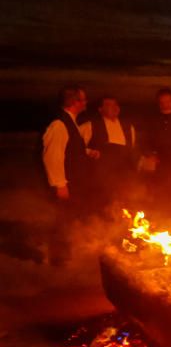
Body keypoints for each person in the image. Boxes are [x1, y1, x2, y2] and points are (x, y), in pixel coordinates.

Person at [41, 86, 97, 265]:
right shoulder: (59, 124)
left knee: (70, 218)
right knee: (62, 220)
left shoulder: (70, 122)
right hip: (64, 184)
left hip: (73, 183)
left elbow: (68, 149)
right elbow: (52, 155)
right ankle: (58, 259)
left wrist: (85, 151)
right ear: (75, 102)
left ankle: (67, 255)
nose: (86, 102)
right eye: (83, 99)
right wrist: (60, 184)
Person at [85, 96, 138, 211]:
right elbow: (75, 147)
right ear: (100, 110)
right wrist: (89, 151)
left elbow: (132, 150)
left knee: (126, 206)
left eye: (115, 105)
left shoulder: (129, 127)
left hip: (123, 177)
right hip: (100, 178)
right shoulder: (90, 125)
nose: (114, 108)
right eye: (109, 105)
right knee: (103, 207)